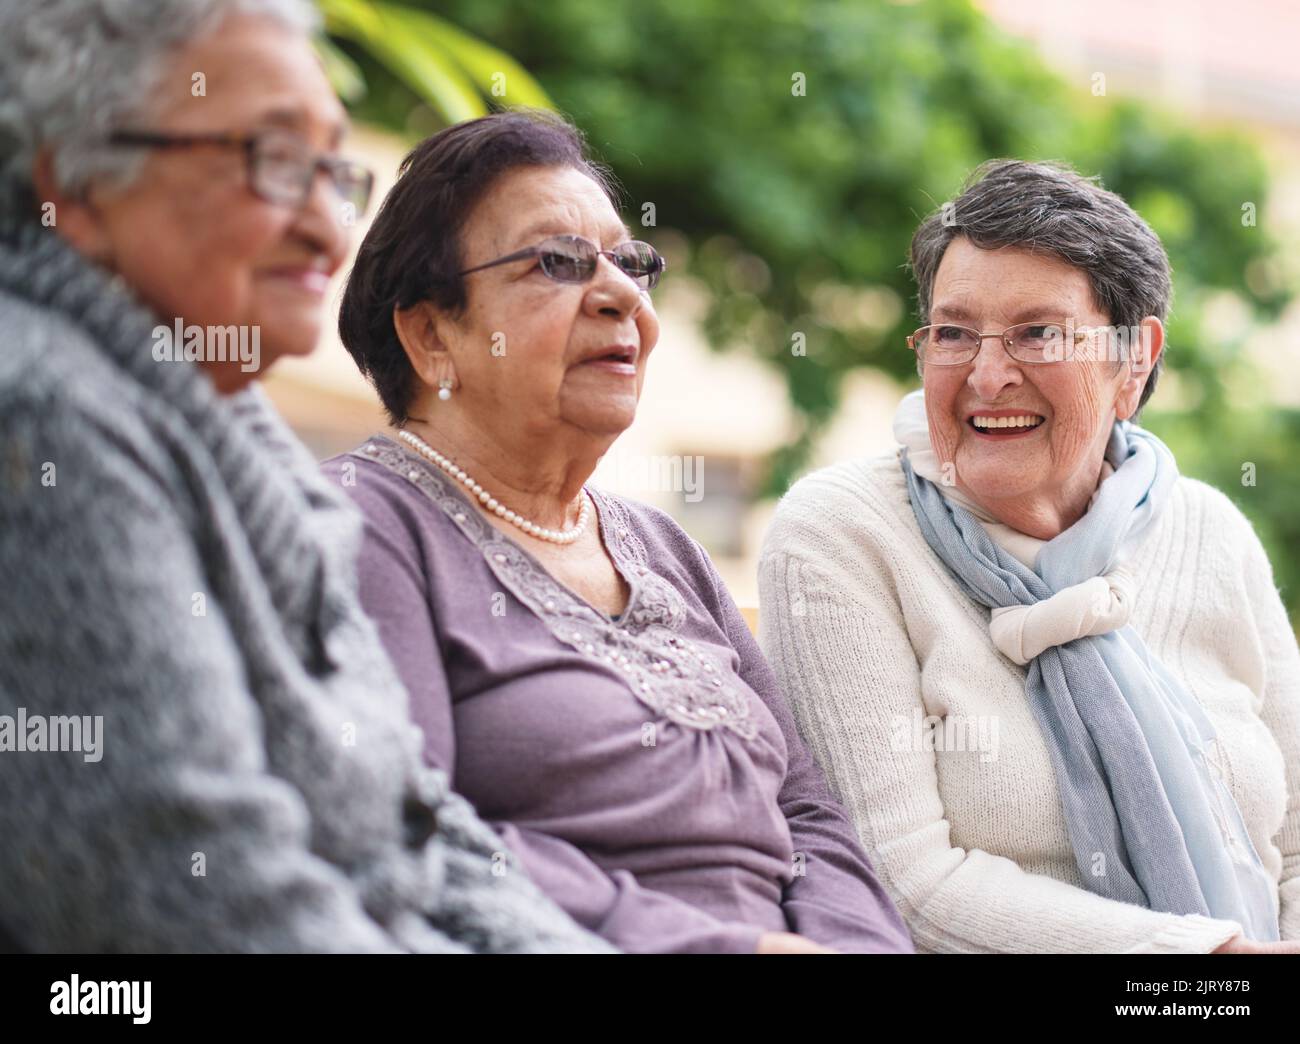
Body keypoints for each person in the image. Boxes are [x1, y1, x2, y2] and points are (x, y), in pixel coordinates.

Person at [0, 0, 609, 953]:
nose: (330, 230)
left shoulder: (227, 416)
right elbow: (186, 897)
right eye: (275, 162)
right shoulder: (41, 416)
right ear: (73, 186)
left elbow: (418, 832)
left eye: (334, 171)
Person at [320, 110, 914, 954]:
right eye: (556, 263)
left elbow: (808, 810)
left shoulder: (664, 548)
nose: (623, 295)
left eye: (631, 263)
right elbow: (403, 822)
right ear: (431, 334)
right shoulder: (363, 523)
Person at [758, 159, 1300, 953]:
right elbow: (900, 881)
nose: (987, 375)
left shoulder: (1207, 530)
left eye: (1036, 333)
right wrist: (1202, 971)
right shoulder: (842, 535)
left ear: (1135, 359)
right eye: (953, 333)